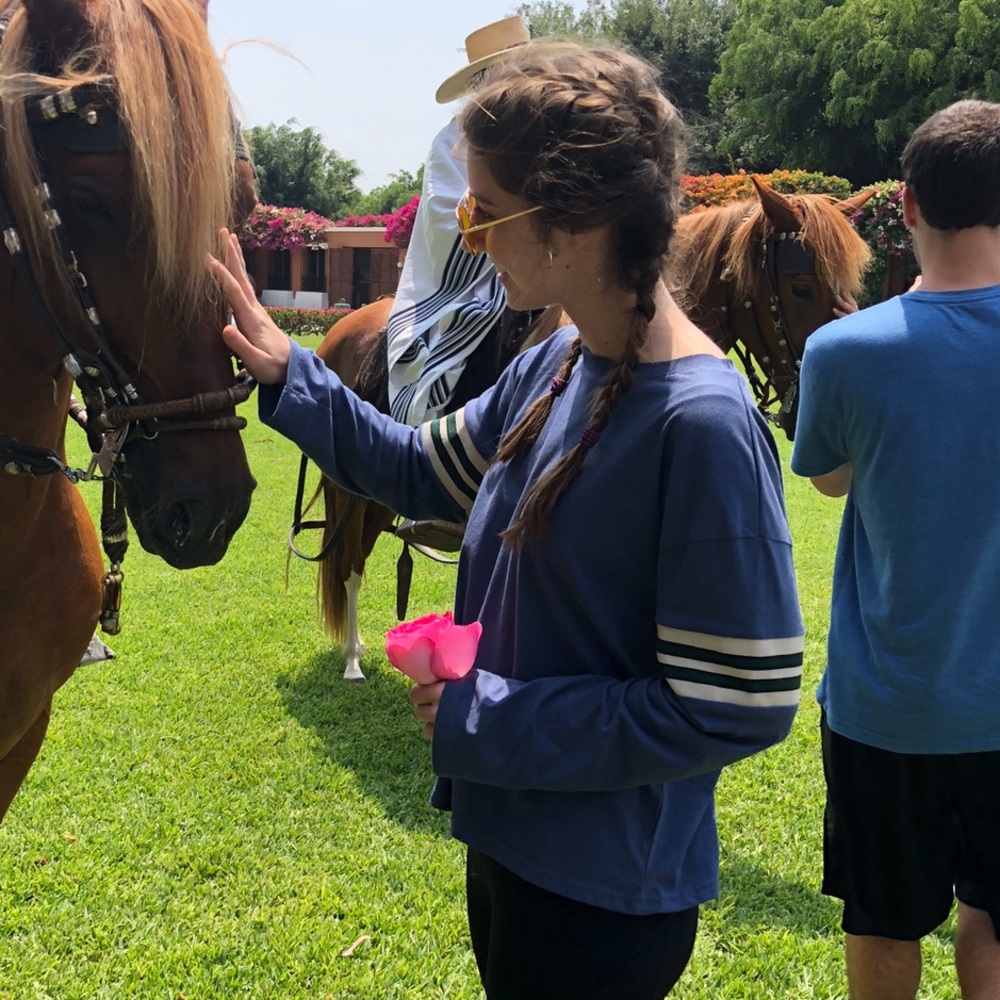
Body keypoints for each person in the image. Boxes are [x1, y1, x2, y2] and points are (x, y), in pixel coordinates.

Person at [211, 40, 804, 1000]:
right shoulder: (556, 364)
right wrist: (293, 373)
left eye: (484, 212)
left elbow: (738, 701)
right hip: (515, 844)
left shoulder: (700, 423)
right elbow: (419, 469)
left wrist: (495, 716)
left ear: (573, 222)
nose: (471, 237)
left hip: (604, 896)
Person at [790, 99, 1000, 1000]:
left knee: (882, 920)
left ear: (906, 205)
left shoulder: (843, 351)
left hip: (886, 708)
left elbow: (831, 482)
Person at [385, 15, 530, 426]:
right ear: (484, 80)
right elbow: (450, 228)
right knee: (466, 334)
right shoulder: (451, 141)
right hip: (478, 282)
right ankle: (439, 429)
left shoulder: (550, 128)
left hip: (551, 263)